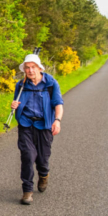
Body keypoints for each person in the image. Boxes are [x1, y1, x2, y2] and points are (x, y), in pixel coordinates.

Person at [11, 54, 64, 205]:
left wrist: (57, 121)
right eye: (27, 67)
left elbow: (58, 103)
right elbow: (17, 102)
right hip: (25, 124)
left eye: (33, 67)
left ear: (40, 68)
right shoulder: (21, 85)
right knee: (27, 156)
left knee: (42, 158)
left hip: (44, 125)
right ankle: (27, 191)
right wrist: (14, 105)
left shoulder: (51, 83)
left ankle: (43, 174)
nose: (30, 70)